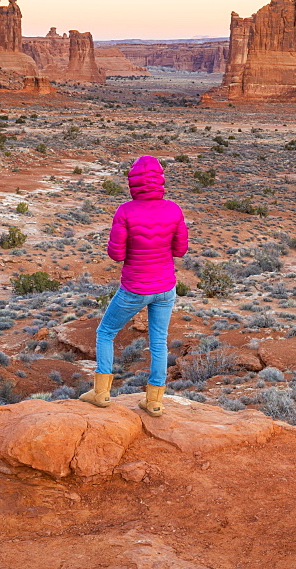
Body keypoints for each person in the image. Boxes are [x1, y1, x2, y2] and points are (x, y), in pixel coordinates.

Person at [80, 155, 188, 417]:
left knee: (106, 332)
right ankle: (154, 401)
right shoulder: (174, 209)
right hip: (165, 287)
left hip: (135, 288)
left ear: (133, 181)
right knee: (159, 342)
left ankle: (102, 393)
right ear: (160, 180)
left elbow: (116, 255)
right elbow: (180, 250)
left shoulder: (125, 211)